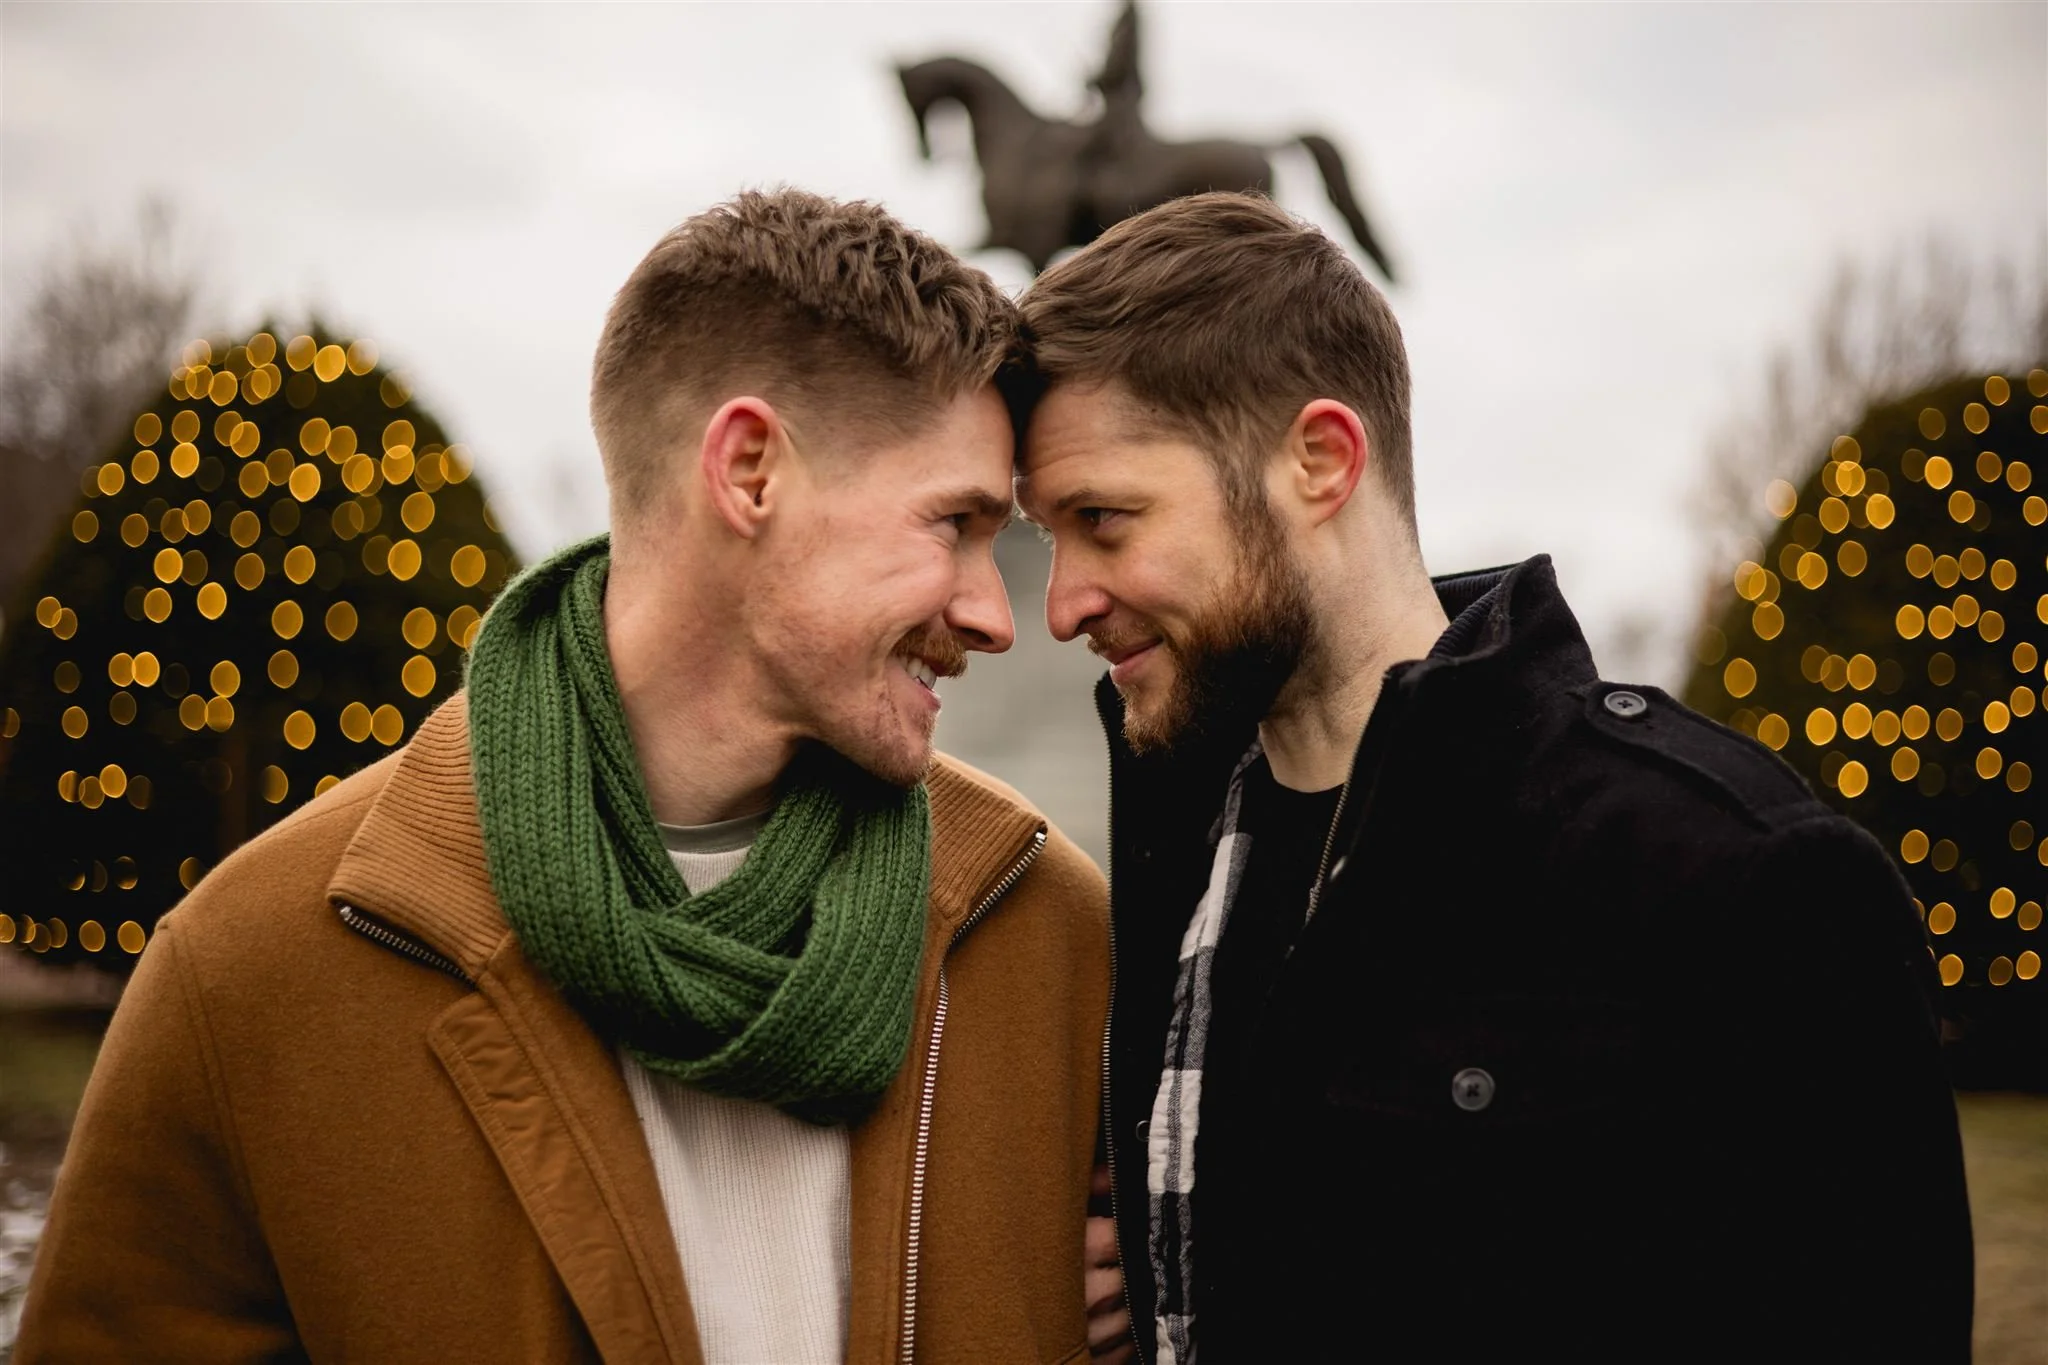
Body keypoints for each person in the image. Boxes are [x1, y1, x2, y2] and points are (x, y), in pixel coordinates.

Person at [20, 190, 1110, 1365]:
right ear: (748, 472)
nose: (996, 615)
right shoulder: (251, 971)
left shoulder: (1042, 935)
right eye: (952, 524)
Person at [1015, 192, 1974, 1364]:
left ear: (1319, 461)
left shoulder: (1731, 875)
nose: (1061, 603)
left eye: (1103, 520)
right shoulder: (1173, 866)